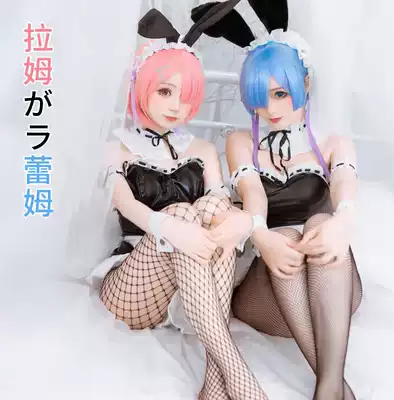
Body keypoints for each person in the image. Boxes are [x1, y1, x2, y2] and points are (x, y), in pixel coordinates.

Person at [90, 4, 268, 400]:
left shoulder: (202, 150)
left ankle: (214, 382)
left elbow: (218, 204)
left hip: (191, 288)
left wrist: (240, 221)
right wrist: (170, 228)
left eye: (185, 96)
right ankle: (236, 371)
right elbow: (127, 205)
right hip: (132, 286)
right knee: (181, 211)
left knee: (213, 209)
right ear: (142, 86)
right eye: (165, 91)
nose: (176, 107)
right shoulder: (117, 149)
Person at [192, 0, 362, 399]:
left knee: (321, 223)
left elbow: (344, 185)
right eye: (260, 97)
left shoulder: (333, 142)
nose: (270, 109)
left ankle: (329, 387)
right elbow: (253, 195)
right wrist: (262, 236)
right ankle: (334, 387)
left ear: (306, 83)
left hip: (333, 289)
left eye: (281, 93)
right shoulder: (241, 142)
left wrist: (343, 220)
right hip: (267, 295)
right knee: (284, 234)